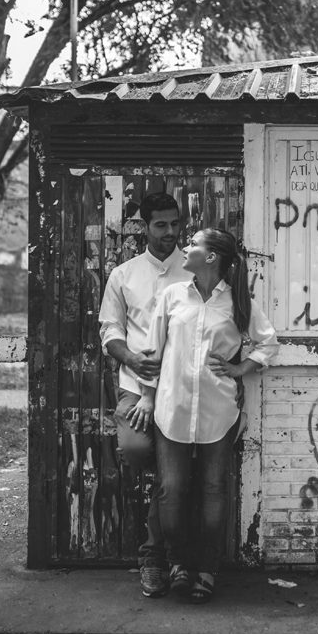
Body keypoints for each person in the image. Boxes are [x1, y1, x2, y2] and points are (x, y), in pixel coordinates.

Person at [136, 228, 279, 604]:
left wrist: (241, 368)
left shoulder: (237, 303)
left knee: (215, 492)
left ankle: (207, 570)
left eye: (194, 244)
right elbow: (152, 354)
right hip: (173, 409)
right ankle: (177, 564)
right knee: (172, 491)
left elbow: (268, 342)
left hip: (218, 412)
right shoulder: (171, 296)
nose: (185, 247)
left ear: (212, 256)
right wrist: (148, 399)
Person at [98, 192, 189, 598]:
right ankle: (174, 482)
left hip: (183, 392)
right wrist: (132, 360)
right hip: (135, 388)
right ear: (144, 226)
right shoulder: (123, 275)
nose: (170, 232)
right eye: (161, 225)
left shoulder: (195, 272)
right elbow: (109, 331)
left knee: (171, 482)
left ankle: (156, 559)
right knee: (136, 451)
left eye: (175, 224)